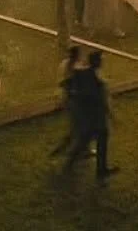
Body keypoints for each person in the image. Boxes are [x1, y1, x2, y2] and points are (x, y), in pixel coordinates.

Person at [65, 50, 118, 180]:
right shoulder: (96, 77)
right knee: (100, 138)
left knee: (85, 138)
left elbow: (73, 89)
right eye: (101, 59)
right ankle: (101, 169)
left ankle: (70, 162)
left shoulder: (82, 73)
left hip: (87, 114)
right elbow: (102, 98)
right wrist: (111, 115)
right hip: (97, 114)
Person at [49, 45, 84, 160]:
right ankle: (61, 151)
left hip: (70, 100)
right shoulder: (73, 67)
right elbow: (67, 83)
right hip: (72, 101)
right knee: (76, 128)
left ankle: (81, 148)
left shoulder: (66, 64)